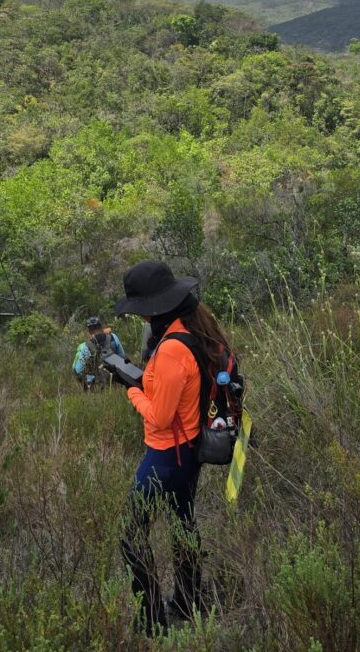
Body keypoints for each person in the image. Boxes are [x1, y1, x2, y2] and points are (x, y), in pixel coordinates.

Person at [114, 260, 232, 635]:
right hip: (190, 452)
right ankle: (188, 598)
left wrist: (131, 388)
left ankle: (150, 619)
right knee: (183, 524)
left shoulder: (170, 350)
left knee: (131, 536)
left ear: (153, 308)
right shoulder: (193, 328)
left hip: (166, 455)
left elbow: (160, 417)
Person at [72, 316, 125, 389]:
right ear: (101, 326)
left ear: (89, 330)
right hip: (116, 380)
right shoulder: (113, 337)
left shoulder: (86, 346)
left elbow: (78, 370)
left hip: (98, 384)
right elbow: (122, 356)